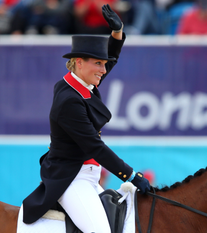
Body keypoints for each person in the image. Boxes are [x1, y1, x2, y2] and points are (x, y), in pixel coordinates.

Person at [22, 4, 151, 233]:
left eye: (103, 64)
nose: (104, 69)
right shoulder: (69, 100)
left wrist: (117, 34)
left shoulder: (81, 82)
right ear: (79, 62)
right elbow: (95, 147)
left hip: (89, 178)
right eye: (98, 64)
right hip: (71, 179)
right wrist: (131, 175)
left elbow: (109, 60)